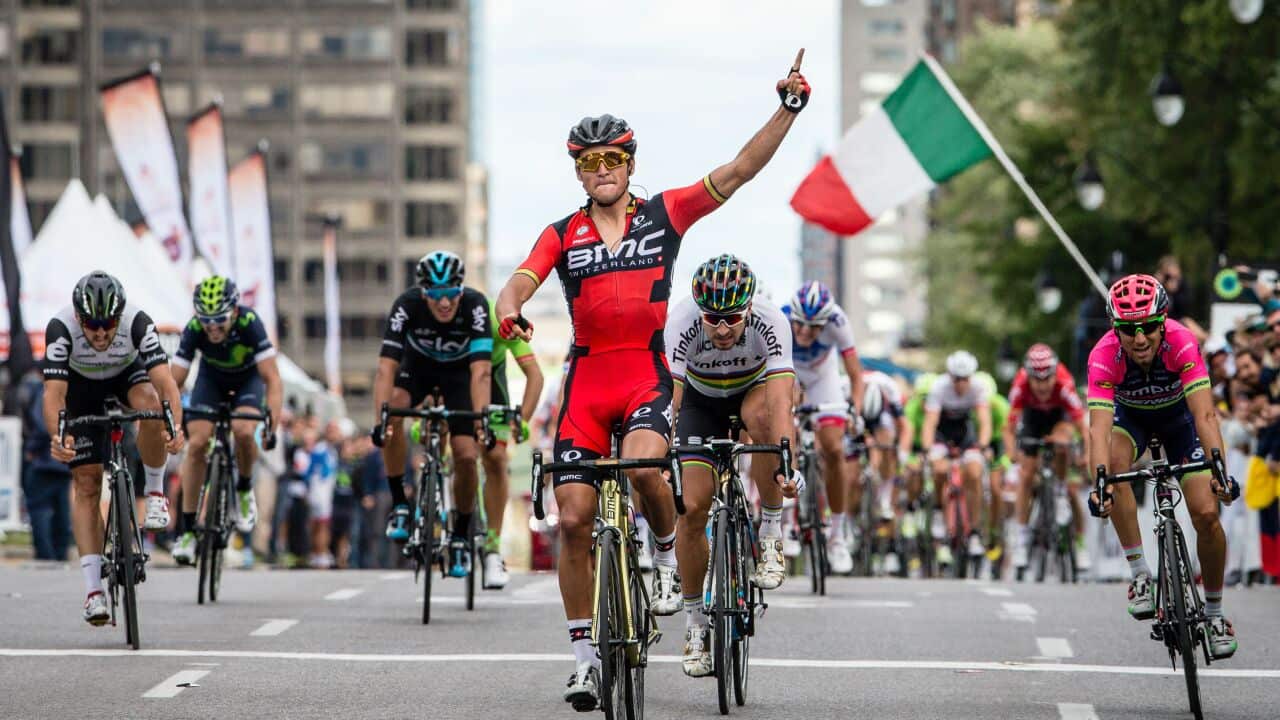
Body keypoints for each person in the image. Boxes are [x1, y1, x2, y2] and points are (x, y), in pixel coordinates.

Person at [494, 57, 810, 710]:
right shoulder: (563, 233)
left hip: (644, 376)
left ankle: (665, 556)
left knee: (644, 471)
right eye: (588, 161)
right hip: (585, 381)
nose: (601, 169)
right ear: (578, 170)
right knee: (574, 520)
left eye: (612, 158)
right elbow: (523, 276)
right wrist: (509, 307)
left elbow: (738, 171)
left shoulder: (664, 215)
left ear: (630, 163)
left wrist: (786, 109)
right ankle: (584, 659)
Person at [1086, 274, 1239, 660]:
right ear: (1115, 328)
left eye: (1150, 327)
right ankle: (1140, 574)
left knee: (1206, 514)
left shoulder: (1182, 342)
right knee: (1116, 464)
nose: (1140, 339)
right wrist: (1100, 483)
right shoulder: (1104, 356)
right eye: (1128, 329)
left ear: (1163, 321)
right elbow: (1098, 432)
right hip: (1132, 422)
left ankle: (1217, 614)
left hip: (1181, 424)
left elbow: (1205, 415)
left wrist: (1219, 471)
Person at [665, 254, 797, 677]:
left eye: (732, 319)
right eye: (712, 319)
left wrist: (785, 460)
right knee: (691, 508)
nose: (722, 330)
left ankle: (771, 532)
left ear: (750, 309)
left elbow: (780, 403)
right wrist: (665, 452)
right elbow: (671, 397)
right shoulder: (680, 322)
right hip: (700, 403)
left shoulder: (772, 322)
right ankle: (694, 627)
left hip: (751, 394)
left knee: (764, 425)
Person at [41, 271, 185, 624]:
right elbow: (54, 395)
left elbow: (166, 383)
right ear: (78, 318)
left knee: (151, 406)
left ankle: (154, 493)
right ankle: (93, 592)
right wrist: (59, 437)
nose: (102, 333)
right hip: (81, 389)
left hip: (126, 377)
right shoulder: (60, 328)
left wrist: (175, 427)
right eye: (93, 326)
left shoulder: (138, 322)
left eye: (109, 325)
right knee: (87, 484)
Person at [374, 250, 492, 580]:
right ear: (423, 293)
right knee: (394, 411)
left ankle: (459, 535)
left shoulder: (475, 305)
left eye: (451, 294)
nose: (444, 303)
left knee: (467, 455)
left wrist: (481, 420)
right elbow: (386, 369)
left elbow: (481, 371)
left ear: (460, 290)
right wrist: (380, 421)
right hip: (419, 368)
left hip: (459, 375)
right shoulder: (406, 305)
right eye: (436, 295)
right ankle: (400, 504)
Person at [169, 276, 282, 565]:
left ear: (234, 311)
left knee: (244, 431)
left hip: (248, 382)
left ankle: (244, 488)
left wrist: (272, 424)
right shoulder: (195, 329)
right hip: (211, 381)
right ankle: (188, 531)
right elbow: (174, 381)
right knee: (197, 445)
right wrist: (164, 418)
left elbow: (272, 378)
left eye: (219, 319)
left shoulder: (250, 323)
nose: (212, 327)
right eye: (206, 319)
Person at [782, 280, 864, 574]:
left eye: (814, 327)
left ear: (826, 322)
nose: (804, 332)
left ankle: (838, 535)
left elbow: (856, 375)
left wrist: (854, 409)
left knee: (834, 448)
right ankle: (788, 519)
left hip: (823, 378)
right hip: (789, 374)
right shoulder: (781, 318)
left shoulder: (839, 322)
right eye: (800, 325)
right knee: (784, 436)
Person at [1004, 343, 1089, 573]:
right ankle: (1021, 539)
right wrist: (1012, 453)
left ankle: (1061, 495)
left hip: (1058, 418)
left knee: (1062, 445)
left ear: (1054, 374)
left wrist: (1087, 455)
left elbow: (1082, 427)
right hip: (1032, 421)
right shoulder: (1020, 386)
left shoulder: (1064, 384)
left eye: (1047, 379)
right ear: (1028, 376)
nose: (1042, 386)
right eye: (1037, 380)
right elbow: (1009, 428)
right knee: (1026, 475)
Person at [478, 298, 544, 589]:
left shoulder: (497, 325)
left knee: (496, 460)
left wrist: (523, 419)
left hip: (492, 387)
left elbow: (535, 376)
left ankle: (492, 546)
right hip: (452, 382)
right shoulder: (451, 325)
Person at [920, 350, 990, 563]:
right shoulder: (939, 387)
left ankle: (974, 531)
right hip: (943, 434)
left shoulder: (978, 387)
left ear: (971, 377)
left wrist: (984, 444)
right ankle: (941, 516)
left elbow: (984, 421)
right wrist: (926, 448)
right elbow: (930, 423)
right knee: (940, 470)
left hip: (966, 435)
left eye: (965, 379)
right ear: (950, 376)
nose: (961, 384)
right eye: (957, 379)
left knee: (975, 474)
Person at [22, 379, 72, 561]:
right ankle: (60, 552)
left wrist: (31, 449)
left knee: (39, 509)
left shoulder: (46, 391)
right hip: (65, 461)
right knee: (61, 509)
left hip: (45, 459)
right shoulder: (71, 389)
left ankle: (46, 554)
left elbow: (41, 425)